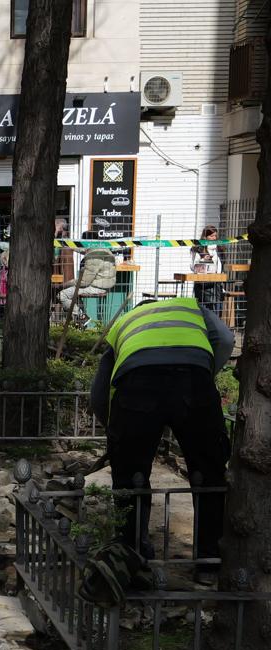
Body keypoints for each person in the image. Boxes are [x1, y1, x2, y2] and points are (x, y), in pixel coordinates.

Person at [89, 296, 234, 587]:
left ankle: (131, 555)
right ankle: (208, 562)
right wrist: (205, 371)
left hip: (138, 386)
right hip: (194, 382)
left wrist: (114, 433)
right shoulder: (192, 307)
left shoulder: (125, 321)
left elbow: (100, 387)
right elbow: (226, 338)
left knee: (132, 477)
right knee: (207, 473)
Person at [191, 225, 223, 315]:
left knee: (216, 309)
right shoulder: (198, 248)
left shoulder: (219, 248)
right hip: (202, 284)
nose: (213, 238)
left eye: (215, 236)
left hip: (216, 283)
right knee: (203, 309)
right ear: (205, 236)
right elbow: (193, 266)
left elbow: (220, 266)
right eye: (211, 236)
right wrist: (203, 260)